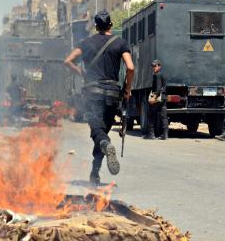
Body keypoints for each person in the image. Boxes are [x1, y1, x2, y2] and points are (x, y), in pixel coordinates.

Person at [64, 11, 135, 186]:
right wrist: (127, 89)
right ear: (110, 25)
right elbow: (131, 67)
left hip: (92, 92)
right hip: (112, 92)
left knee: (98, 132)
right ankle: (95, 172)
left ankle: (105, 146)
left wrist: (81, 72)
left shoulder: (87, 43)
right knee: (102, 131)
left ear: (96, 26)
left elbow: (68, 61)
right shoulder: (120, 43)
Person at [144, 60, 168, 140]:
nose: (154, 68)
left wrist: (154, 98)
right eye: (153, 66)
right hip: (163, 97)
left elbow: (157, 88)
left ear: (159, 66)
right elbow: (164, 87)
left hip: (157, 98)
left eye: (155, 66)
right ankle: (165, 135)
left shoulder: (157, 75)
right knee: (163, 116)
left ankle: (151, 134)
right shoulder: (164, 74)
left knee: (151, 116)